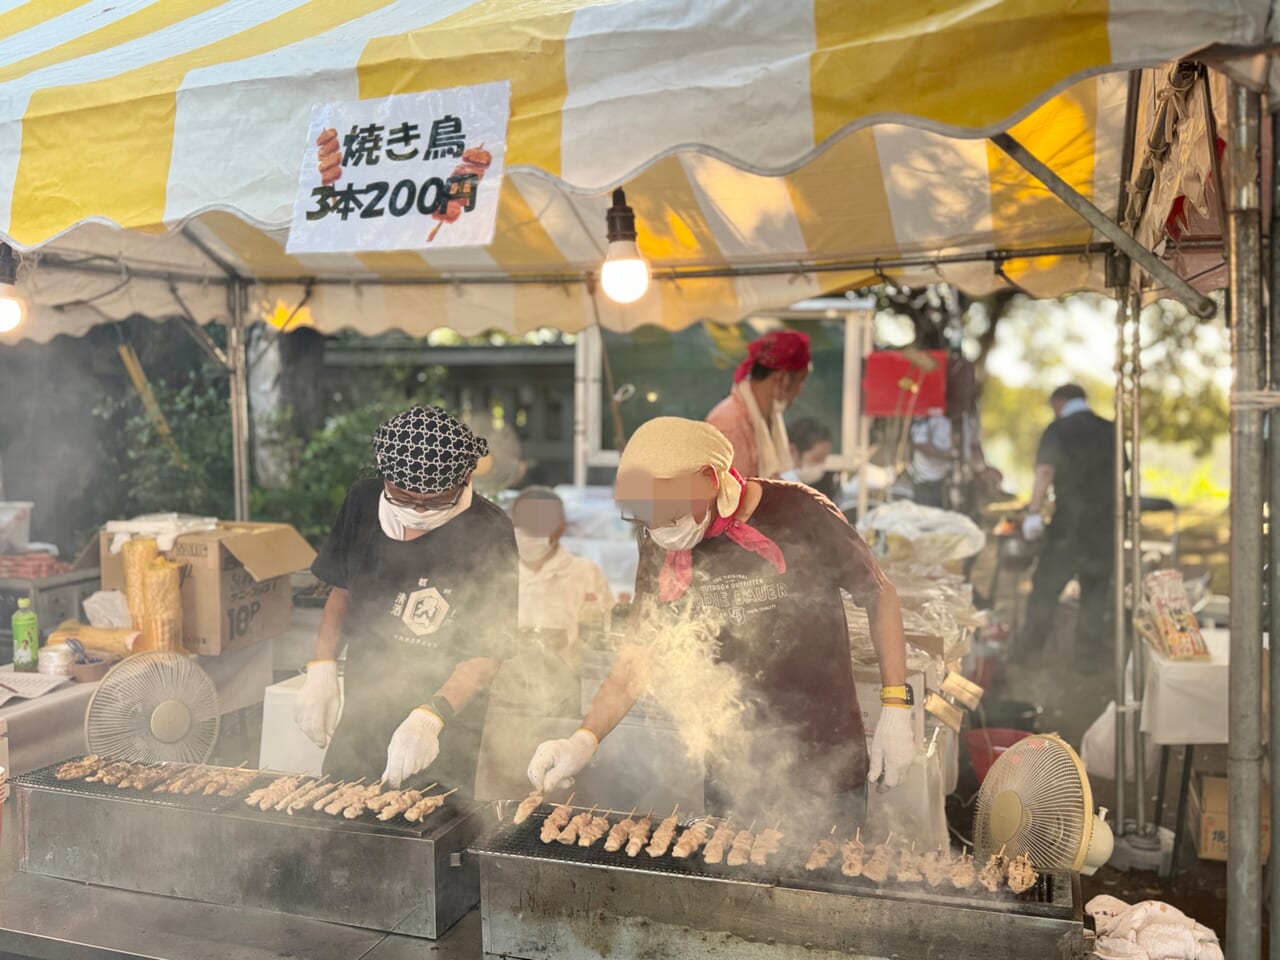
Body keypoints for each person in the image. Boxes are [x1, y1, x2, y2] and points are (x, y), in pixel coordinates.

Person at [526, 417, 916, 823]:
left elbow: (879, 595)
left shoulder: (801, 511)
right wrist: (583, 739)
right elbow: (637, 658)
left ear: (710, 480)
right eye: (648, 517)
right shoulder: (660, 544)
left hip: (826, 753)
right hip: (733, 768)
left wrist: (896, 705)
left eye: (669, 511)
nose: (659, 527)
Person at [294, 404, 517, 792]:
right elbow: (341, 591)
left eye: (432, 501)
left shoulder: (490, 531)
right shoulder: (363, 503)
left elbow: (488, 650)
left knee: (427, 825)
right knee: (337, 814)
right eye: (402, 495)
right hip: (366, 703)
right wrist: (321, 666)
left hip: (443, 720)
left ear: (465, 479)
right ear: (384, 476)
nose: (416, 510)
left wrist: (430, 717)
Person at [476, 487, 613, 798]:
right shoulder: (496, 574)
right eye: (523, 525)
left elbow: (601, 646)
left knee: (558, 803)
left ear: (561, 528)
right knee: (496, 808)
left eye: (539, 526)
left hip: (560, 716)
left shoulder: (584, 574)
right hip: (501, 716)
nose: (529, 534)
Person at [1020, 384, 1118, 667]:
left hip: (1070, 523)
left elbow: (1045, 471)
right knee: (1096, 592)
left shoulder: (1058, 429)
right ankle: (1086, 659)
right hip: (1105, 524)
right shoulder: (1110, 428)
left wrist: (1033, 512)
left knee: (1045, 587)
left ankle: (1030, 651)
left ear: (1059, 402)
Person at [706, 329, 811, 478]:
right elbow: (729, 497)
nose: (802, 389)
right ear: (783, 378)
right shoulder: (729, 425)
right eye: (801, 380)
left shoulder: (767, 417)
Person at [782, 417, 839, 502]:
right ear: (793, 451)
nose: (821, 466)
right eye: (817, 458)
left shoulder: (813, 487)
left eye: (824, 459)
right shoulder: (781, 489)